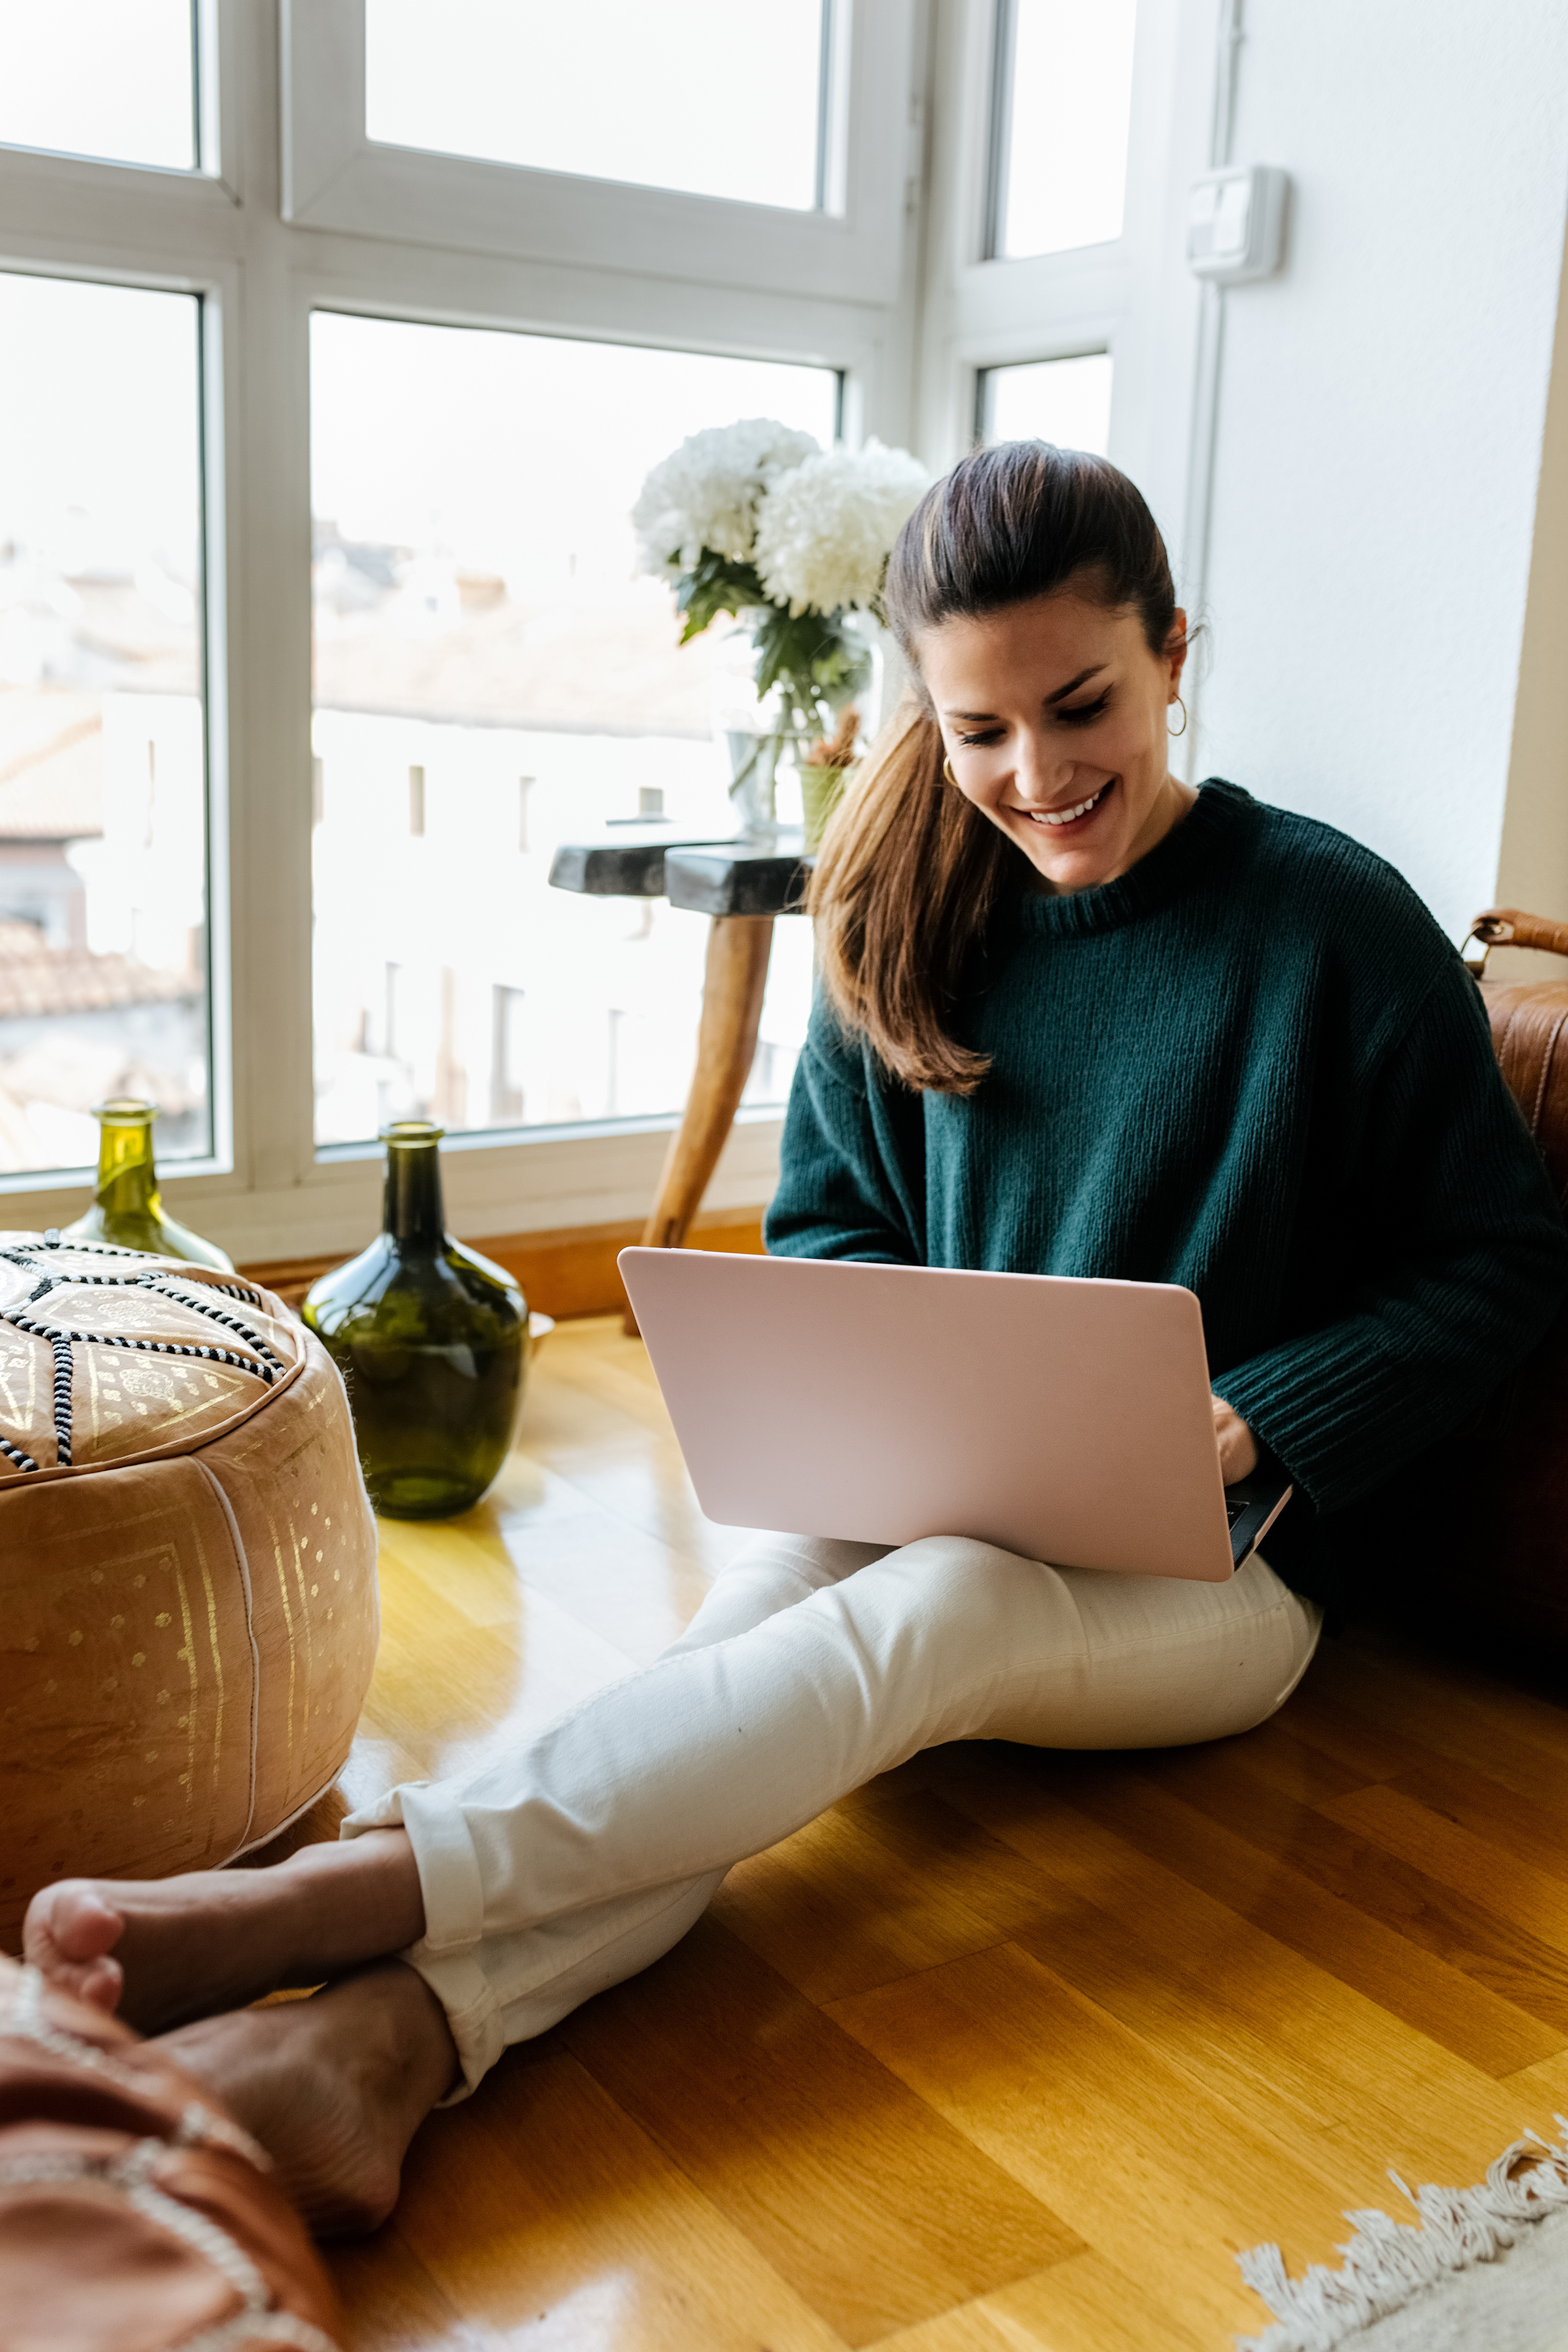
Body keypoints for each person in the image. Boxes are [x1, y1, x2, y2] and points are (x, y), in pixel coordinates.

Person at [23, 443, 1568, 2235]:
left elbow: (1495, 1258)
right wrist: (878, 1384)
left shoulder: (1329, 923)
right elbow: (831, 1229)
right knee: (726, 1669)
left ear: (1172, 651)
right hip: (922, 1482)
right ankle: (377, 2051)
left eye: (1080, 707)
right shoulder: (908, 903)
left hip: (1226, 1567)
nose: (1034, 777)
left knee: (937, 1615)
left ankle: (343, 1898)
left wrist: (1249, 1414)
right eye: (976, 730)